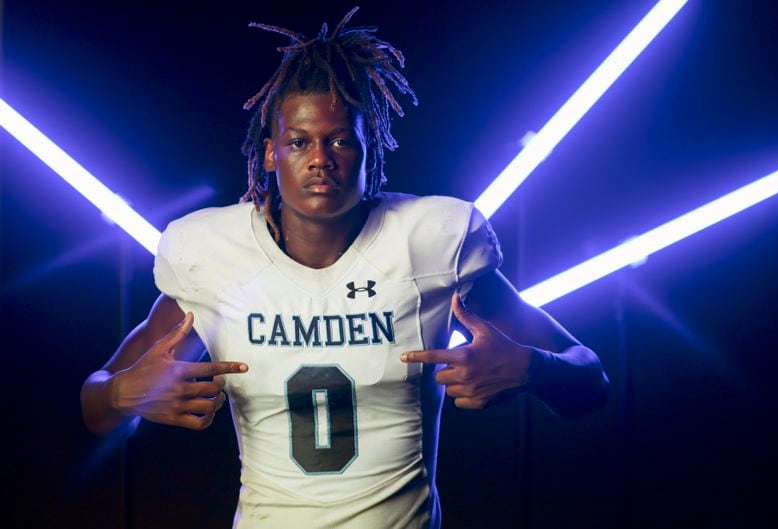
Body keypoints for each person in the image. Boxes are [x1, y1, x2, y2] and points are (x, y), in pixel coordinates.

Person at [80, 7, 609, 528]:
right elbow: (97, 405)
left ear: (367, 148)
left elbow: (591, 379)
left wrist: (532, 371)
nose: (319, 159)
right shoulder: (209, 254)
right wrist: (126, 393)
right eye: (299, 142)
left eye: (339, 140)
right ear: (270, 154)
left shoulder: (432, 242)